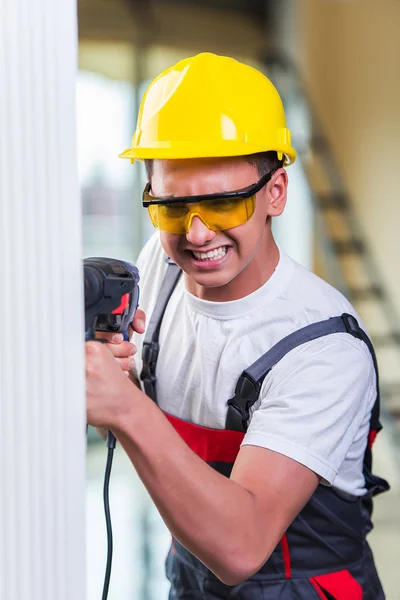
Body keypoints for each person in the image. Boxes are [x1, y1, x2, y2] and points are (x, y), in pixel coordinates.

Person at [86, 53, 389, 599]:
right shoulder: (162, 262)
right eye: (173, 207)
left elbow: (241, 548)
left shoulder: (323, 348)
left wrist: (124, 408)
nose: (197, 234)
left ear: (275, 192)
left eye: (223, 202)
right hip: (189, 573)